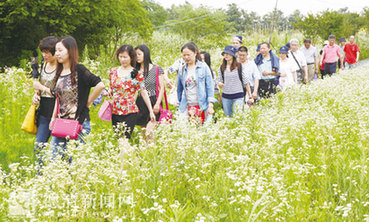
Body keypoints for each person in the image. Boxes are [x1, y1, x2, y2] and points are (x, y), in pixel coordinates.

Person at [45, 36, 104, 160]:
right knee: (54, 161)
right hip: (61, 124)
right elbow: (58, 97)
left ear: (70, 50)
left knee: (76, 164)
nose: (57, 54)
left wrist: (88, 102)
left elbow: (100, 85)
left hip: (79, 123)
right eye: (56, 50)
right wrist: (52, 118)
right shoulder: (59, 72)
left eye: (60, 50)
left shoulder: (80, 70)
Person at [107, 44, 155, 140]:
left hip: (130, 111)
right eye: (120, 57)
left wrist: (151, 111)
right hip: (116, 110)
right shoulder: (113, 72)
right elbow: (112, 88)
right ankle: (129, 155)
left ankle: (126, 155)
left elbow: (144, 93)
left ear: (131, 57)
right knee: (120, 139)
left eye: (125, 57)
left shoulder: (136, 74)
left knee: (125, 138)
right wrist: (108, 92)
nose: (122, 60)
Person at [32, 36, 58, 166]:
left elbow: (59, 93)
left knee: (56, 150)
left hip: (57, 111)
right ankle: (39, 176)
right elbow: (39, 86)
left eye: (47, 52)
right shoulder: (43, 64)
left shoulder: (62, 67)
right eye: (43, 51)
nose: (44, 55)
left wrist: (41, 88)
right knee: (38, 147)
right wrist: (35, 95)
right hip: (43, 110)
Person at [177, 42, 216, 124]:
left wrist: (210, 104)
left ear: (195, 53)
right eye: (184, 55)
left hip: (202, 105)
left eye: (188, 55)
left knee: (201, 130)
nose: (186, 57)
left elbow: (209, 86)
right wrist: (180, 104)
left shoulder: (203, 67)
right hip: (186, 105)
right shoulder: (182, 69)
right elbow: (179, 89)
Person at [135, 44, 164, 142]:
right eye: (135, 55)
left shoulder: (157, 69)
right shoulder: (135, 71)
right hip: (140, 101)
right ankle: (147, 153)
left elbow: (162, 88)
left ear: (146, 54)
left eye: (139, 54)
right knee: (143, 131)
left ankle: (153, 152)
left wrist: (157, 104)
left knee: (150, 130)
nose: (137, 56)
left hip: (153, 99)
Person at [218, 45, 251, 117]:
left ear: (232, 55)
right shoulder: (221, 67)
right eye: (225, 53)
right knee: (228, 117)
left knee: (237, 116)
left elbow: (246, 82)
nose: (226, 55)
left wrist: (250, 96)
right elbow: (219, 80)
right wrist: (220, 84)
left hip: (238, 95)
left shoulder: (239, 66)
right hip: (226, 96)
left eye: (228, 53)